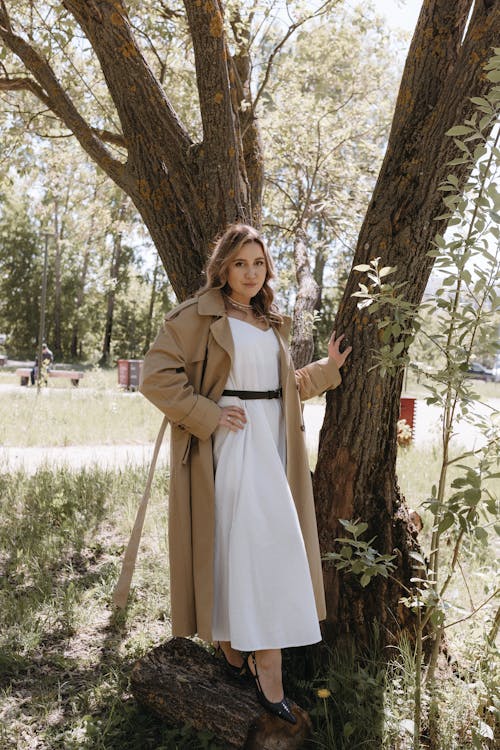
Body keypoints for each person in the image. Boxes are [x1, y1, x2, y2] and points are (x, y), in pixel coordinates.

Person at [139, 224, 351, 724]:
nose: (250, 273)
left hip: (274, 447)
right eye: (240, 264)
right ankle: (267, 664)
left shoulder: (269, 320)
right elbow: (156, 377)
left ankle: (236, 648)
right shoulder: (198, 315)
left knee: (254, 548)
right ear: (223, 268)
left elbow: (283, 386)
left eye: (258, 263)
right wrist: (209, 415)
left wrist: (327, 368)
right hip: (234, 448)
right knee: (258, 549)